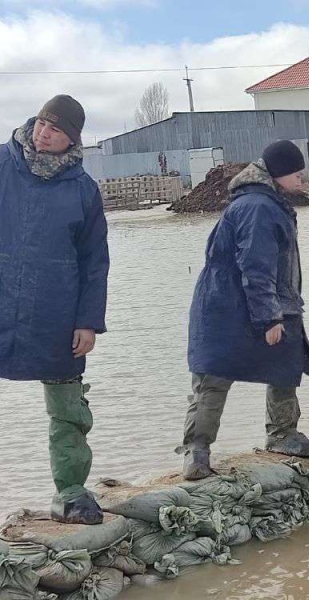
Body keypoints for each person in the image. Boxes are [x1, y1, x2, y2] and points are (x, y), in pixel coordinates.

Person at [182, 140, 309, 480]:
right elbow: (256, 267)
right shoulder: (259, 206)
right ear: (277, 174)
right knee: (214, 376)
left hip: (266, 299)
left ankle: (282, 434)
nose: (301, 180)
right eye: (296, 174)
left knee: (284, 367)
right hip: (231, 304)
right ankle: (196, 452)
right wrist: (269, 317)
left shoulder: (269, 201)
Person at [0, 95, 109, 524]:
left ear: (72, 140)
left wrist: (88, 321)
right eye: (43, 123)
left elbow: (95, 260)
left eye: (57, 129)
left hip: (57, 312)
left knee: (68, 408)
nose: (45, 133)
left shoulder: (83, 189)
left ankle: (70, 494)